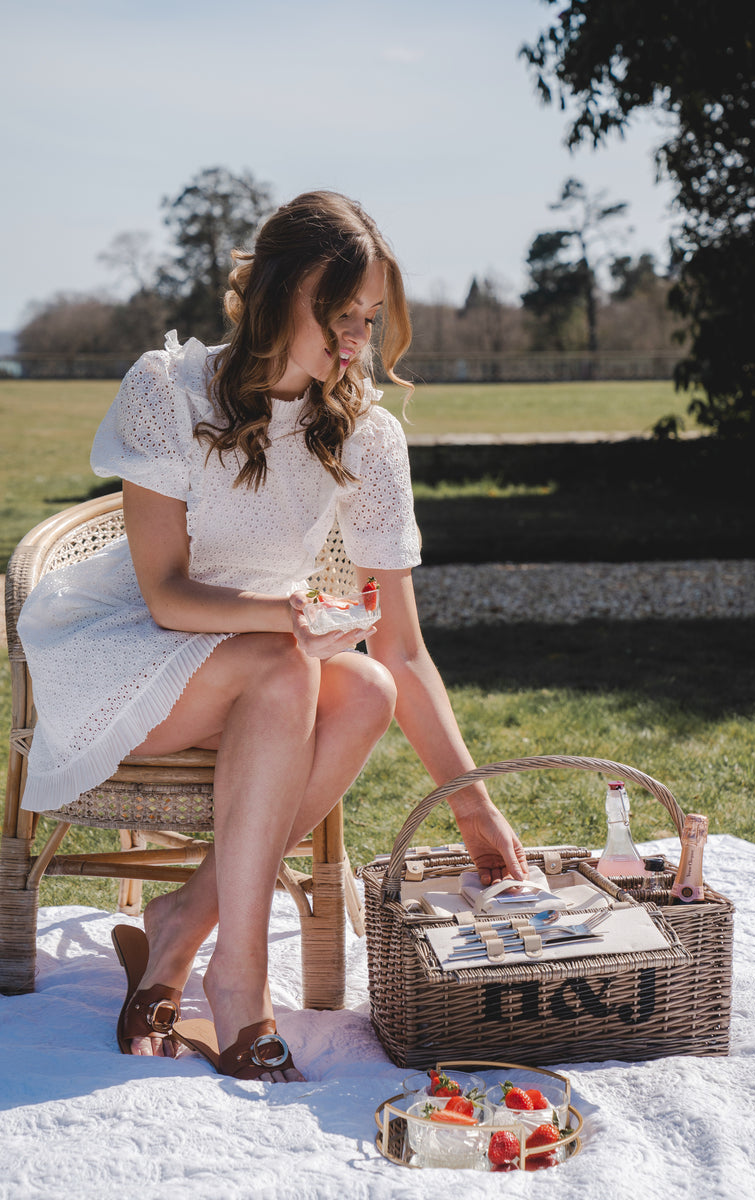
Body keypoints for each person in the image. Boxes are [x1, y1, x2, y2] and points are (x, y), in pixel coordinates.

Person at [17, 191, 527, 1082]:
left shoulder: (366, 434)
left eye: (369, 317)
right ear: (280, 295)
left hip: (257, 663)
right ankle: (239, 984)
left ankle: (180, 925)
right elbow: (168, 597)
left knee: (364, 686)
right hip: (126, 650)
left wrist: (473, 802)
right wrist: (287, 619)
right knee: (287, 665)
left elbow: (402, 652)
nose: (357, 339)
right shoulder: (167, 389)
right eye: (340, 315)